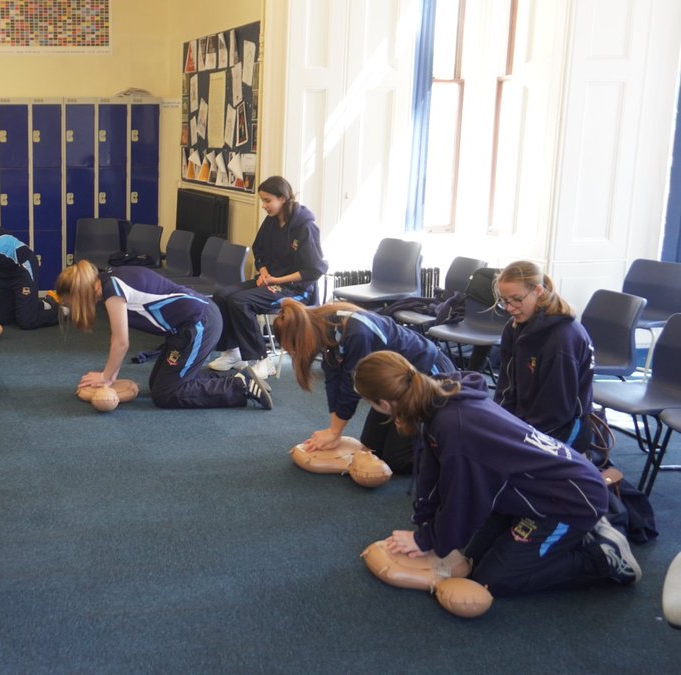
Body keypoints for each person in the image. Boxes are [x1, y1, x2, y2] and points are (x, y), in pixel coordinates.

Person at [352, 350, 640, 597]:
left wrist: (428, 541)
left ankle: (602, 555)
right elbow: (431, 471)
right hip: (529, 492)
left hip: (570, 501)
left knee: (492, 581)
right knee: (472, 558)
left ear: (385, 404)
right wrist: (424, 527)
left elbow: (463, 499)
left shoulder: (456, 429)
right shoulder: (436, 396)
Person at [55, 260, 272, 410]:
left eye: (69, 302)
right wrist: (110, 376)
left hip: (200, 323)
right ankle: (233, 380)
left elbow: (120, 342)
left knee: (166, 394)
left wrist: (106, 377)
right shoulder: (107, 279)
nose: (70, 307)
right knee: (158, 383)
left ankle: (241, 387)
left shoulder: (112, 290)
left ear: (79, 293)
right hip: (184, 328)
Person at [273, 298, 455, 473]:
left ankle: (448, 452)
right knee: (372, 444)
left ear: (302, 337)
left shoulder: (355, 332)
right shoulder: (323, 328)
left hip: (425, 375)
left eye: (294, 349)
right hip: (391, 385)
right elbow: (333, 378)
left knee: (397, 461)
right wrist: (333, 428)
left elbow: (351, 385)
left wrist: (335, 431)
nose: (295, 355)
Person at [208, 176, 327, 381]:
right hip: (269, 281)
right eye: (262, 200)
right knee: (222, 295)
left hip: (295, 290)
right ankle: (234, 352)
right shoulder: (272, 221)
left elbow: (313, 270)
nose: (264, 206)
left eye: (267, 200)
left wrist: (277, 281)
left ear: (282, 198)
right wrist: (263, 272)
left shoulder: (305, 227)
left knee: (240, 301)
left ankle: (262, 359)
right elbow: (259, 249)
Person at [494, 260, 595, 451]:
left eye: (516, 299)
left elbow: (556, 412)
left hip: (562, 427)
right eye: (504, 300)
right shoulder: (513, 328)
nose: (509, 307)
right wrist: (500, 422)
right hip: (526, 421)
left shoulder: (562, 339)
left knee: (503, 462)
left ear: (538, 291)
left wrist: (517, 438)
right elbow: (506, 388)